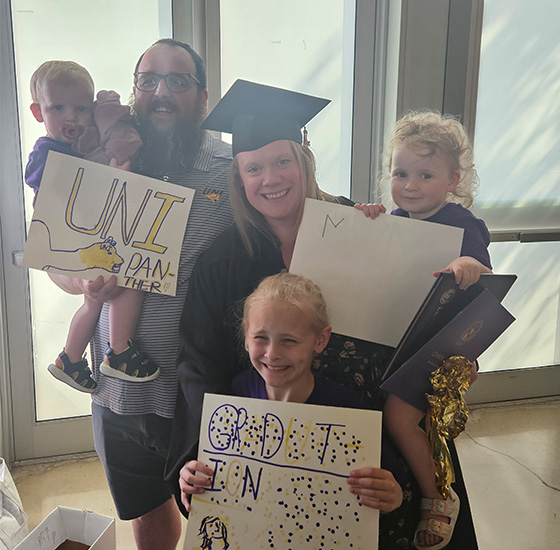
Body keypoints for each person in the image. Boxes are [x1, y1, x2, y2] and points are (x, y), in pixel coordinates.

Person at [166, 80, 480, 549]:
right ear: (239, 177)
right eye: (253, 168)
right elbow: (197, 364)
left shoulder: (365, 226)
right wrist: (205, 455)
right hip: (267, 446)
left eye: (282, 162)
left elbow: (422, 317)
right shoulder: (221, 259)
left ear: (304, 161)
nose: (270, 179)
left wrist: (457, 354)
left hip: (372, 434)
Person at [48, 40, 233, 550]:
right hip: (119, 389)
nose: (161, 92)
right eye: (148, 79)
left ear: (202, 97)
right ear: (133, 92)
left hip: (200, 387)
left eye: (178, 80)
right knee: (146, 515)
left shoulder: (232, 167)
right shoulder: (99, 159)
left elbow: (291, 214)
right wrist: (81, 283)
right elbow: (56, 260)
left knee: (218, 517)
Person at [358, 111, 491, 549]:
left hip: (438, 344)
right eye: (400, 173)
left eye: (425, 174)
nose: (409, 184)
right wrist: (369, 220)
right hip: (401, 339)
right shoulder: (397, 218)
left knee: (399, 416)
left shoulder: (462, 225)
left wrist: (468, 265)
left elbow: (482, 276)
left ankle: (438, 498)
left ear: (453, 179)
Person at [180, 272, 403, 520]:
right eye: (260, 338)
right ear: (246, 335)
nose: (272, 353)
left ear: (320, 340)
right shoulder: (235, 395)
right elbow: (211, 471)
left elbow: (389, 486)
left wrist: (392, 495)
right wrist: (190, 477)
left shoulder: (348, 410)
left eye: (288, 340)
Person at [26, 60, 158, 392]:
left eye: (81, 108)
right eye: (58, 107)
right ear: (38, 112)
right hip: (70, 237)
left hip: (87, 236)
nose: (71, 116)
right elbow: (42, 183)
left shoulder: (85, 146)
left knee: (94, 299)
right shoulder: (48, 150)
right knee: (128, 280)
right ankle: (119, 353)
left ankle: (69, 359)